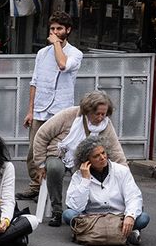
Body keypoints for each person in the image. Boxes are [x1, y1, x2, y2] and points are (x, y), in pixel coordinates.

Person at [29, 91, 123, 223]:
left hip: (84, 160)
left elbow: (115, 150)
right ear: (88, 111)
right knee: (55, 169)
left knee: (94, 172)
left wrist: (124, 174)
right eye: (98, 114)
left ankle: (82, 210)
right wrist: (40, 164)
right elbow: (41, 135)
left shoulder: (105, 125)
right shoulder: (69, 115)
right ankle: (56, 209)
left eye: (104, 114)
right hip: (59, 154)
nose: (101, 117)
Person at [63, 138, 148, 244]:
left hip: (119, 216)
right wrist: (85, 180)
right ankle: (124, 234)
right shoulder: (78, 176)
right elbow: (75, 207)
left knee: (143, 218)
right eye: (96, 156)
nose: (102, 157)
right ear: (86, 160)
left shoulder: (121, 171)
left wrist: (130, 216)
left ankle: (87, 233)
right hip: (91, 218)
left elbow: (134, 196)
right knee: (68, 214)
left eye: (103, 153)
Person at [26, 15, 83, 134]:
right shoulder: (42, 53)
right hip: (40, 111)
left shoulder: (75, 53)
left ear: (68, 30)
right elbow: (34, 82)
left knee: (56, 149)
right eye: (52, 29)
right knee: (35, 150)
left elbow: (63, 65)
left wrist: (56, 42)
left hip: (60, 111)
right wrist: (30, 111)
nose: (55, 32)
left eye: (59, 28)